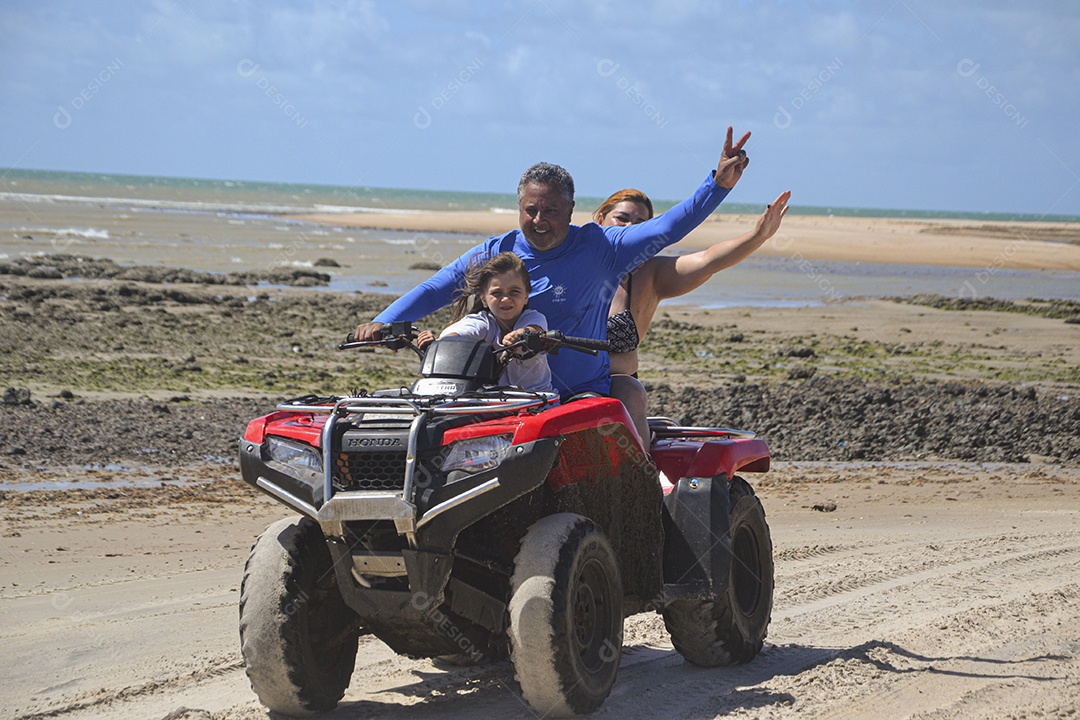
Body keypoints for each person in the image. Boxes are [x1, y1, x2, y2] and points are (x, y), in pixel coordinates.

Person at [354, 125, 752, 437]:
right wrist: (384, 322)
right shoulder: (498, 251)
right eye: (531, 210)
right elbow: (437, 288)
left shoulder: (603, 246)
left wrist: (716, 185)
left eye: (551, 210)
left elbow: (669, 226)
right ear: (519, 207)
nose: (539, 220)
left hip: (582, 396)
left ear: (571, 210)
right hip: (508, 396)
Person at [595, 188, 791, 442]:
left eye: (641, 224)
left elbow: (708, 261)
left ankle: (643, 475)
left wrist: (758, 235)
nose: (630, 227)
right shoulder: (573, 263)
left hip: (620, 391)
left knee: (631, 392)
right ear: (600, 219)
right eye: (622, 218)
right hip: (566, 384)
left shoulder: (651, 276)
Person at [416, 251, 553, 392]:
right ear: (483, 299)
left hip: (537, 400)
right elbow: (459, 333)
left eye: (514, 292)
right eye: (497, 293)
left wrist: (520, 336)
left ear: (526, 296)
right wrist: (437, 344)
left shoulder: (534, 318)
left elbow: (534, 329)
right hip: (493, 401)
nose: (505, 299)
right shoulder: (483, 322)